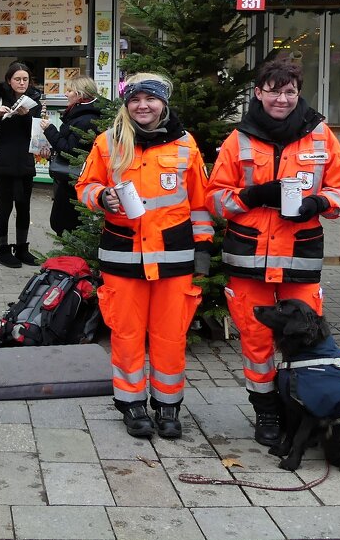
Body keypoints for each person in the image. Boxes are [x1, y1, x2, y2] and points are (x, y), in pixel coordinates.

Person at [206, 57, 340, 447]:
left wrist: (319, 204)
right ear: (258, 93)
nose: (282, 99)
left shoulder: (321, 136)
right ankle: (266, 411)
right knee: (256, 341)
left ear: (298, 93)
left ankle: (304, 411)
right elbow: (215, 200)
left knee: (308, 339)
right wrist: (252, 195)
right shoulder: (238, 139)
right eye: (273, 90)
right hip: (249, 259)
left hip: (299, 258)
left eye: (290, 91)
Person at [74, 73, 213, 440]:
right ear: (127, 104)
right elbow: (84, 186)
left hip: (174, 257)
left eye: (150, 99)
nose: (143, 106)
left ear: (163, 103)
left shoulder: (186, 145)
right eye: (135, 100)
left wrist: (202, 253)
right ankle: (131, 404)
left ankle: (168, 406)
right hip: (123, 256)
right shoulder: (108, 143)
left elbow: (199, 204)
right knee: (126, 334)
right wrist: (101, 197)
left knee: (170, 337)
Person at [0, 62, 43, 268]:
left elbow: (34, 132)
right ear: (9, 80)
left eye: (25, 79)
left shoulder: (34, 100)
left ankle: (22, 248)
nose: (22, 83)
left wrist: (26, 117)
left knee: (24, 206)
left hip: (24, 159)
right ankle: (3, 250)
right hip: (2, 159)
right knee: (5, 206)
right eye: (17, 79)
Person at [40, 76, 105, 235]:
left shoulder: (85, 119)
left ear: (79, 94)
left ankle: (70, 259)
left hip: (73, 181)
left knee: (63, 223)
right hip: (70, 179)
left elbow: (70, 150)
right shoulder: (82, 114)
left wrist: (50, 130)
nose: (66, 94)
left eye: (69, 91)